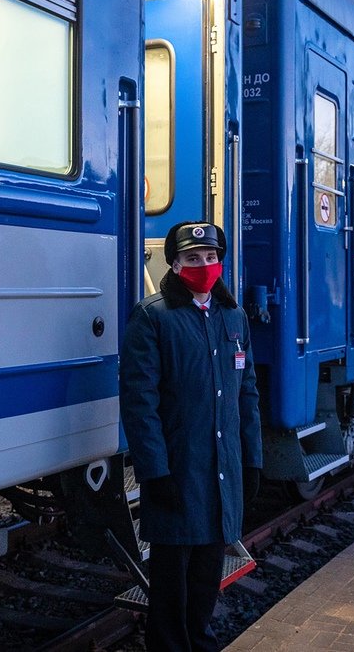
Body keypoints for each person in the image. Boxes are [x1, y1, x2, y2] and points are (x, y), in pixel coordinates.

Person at [119, 221, 263, 652]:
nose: (204, 265)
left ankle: (200, 644)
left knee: (205, 579)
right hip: (179, 471)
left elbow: (248, 394)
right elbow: (139, 403)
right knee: (171, 583)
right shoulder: (154, 317)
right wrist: (154, 472)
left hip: (222, 470)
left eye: (211, 257)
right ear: (176, 263)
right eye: (193, 259)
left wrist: (252, 460)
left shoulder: (233, 316)